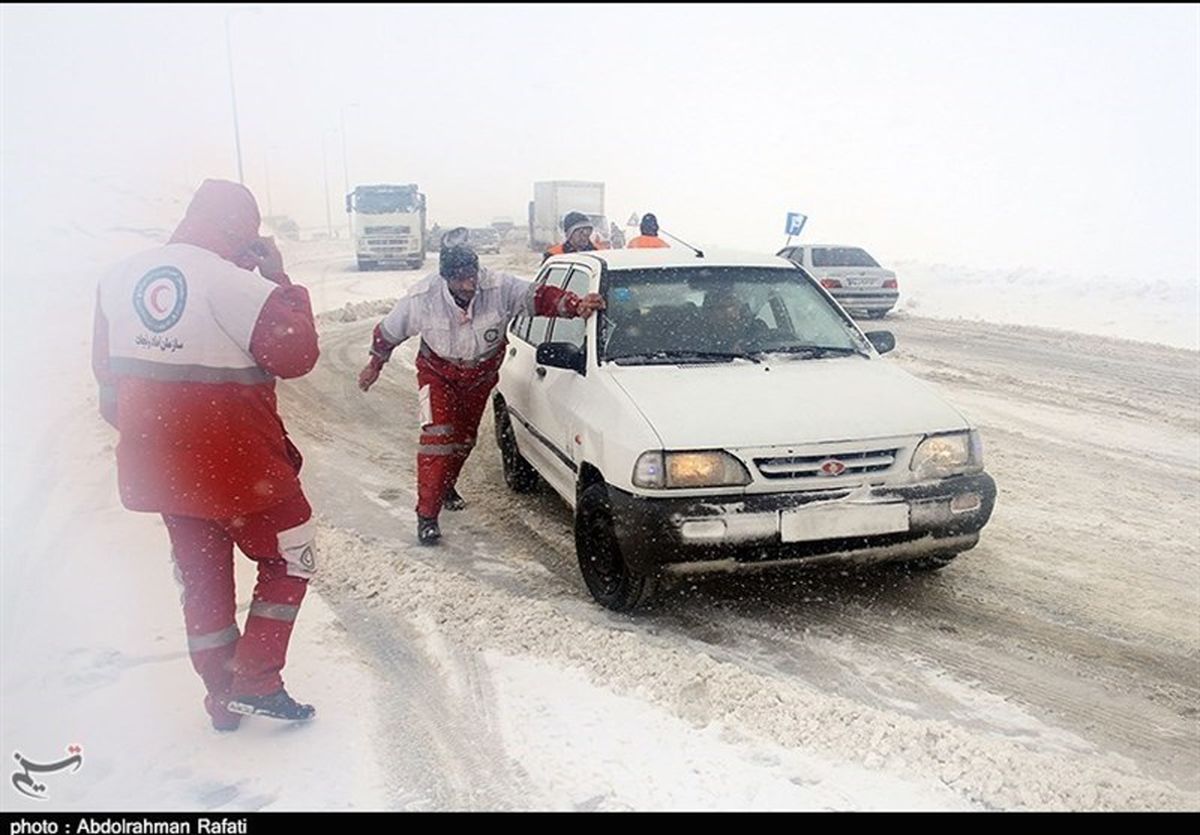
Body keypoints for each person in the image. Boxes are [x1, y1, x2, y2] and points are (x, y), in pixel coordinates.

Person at [92, 179, 321, 731]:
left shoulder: (117, 279)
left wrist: (164, 438)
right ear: (242, 230)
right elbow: (298, 354)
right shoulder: (239, 287)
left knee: (202, 578)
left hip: (163, 470)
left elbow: (107, 387)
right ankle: (257, 681)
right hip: (244, 469)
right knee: (293, 553)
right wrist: (278, 277)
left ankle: (222, 697)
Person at [357, 229, 605, 545]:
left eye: (471, 275)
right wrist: (374, 366)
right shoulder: (421, 299)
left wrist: (575, 304)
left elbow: (539, 297)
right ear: (445, 278)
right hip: (438, 373)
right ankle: (427, 515)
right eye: (459, 279)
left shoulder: (499, 286)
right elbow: (387, 333)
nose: (469, 284)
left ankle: (446, 485)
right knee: (437, 438)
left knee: (463, 440)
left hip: (480, 376)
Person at [701, 286, 768, 352]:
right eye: (720, 308)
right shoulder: (700, 334)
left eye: (731, 305)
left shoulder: (756, 328)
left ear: (739, 308)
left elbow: (768, 350)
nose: (727, 312)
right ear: (709, 313)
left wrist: (745, 345)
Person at [541, 210, 611, 263]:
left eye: (588, 230)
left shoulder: (600, 254)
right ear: (570, 234)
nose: (585, 235)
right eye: (581, 231)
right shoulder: (553, 256)